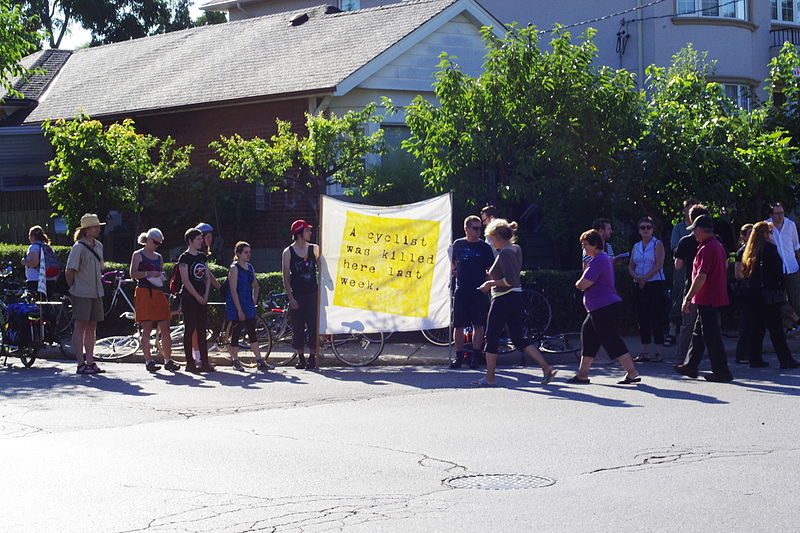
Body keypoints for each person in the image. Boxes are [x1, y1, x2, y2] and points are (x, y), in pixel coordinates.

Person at [473, 219, 556, 386]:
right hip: (515, 297)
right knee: (518, 338)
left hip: (503, 297)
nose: (491, 242)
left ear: (498, 237)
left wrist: (490, 283)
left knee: (492, 337)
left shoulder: (505, 252)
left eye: (491, 238)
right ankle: (546, 367)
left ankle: (490, 377)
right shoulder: (516, 248)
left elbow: (509, 280)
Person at [571, 229, 641, 384]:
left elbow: (584, 283)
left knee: (611, 339)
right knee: (588, 336)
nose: (584, 248)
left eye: (585, 245)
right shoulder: (601, 259)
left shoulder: (599, 260)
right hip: (598, 307)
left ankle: (632, 372)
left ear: (595, 244)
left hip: (604, 306)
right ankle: (582, 374)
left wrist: (578, 283)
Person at [675, 214, 733, 382]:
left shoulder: (707, 248)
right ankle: (691, 365)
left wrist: (687, 297)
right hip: (710, 297)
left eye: (695, 231)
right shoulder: (716, 245)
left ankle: (722, 371)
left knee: (711, 335)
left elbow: (701, 276)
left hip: (708, 297)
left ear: (701, 230)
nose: (693, 234)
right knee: (699, 333)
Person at [741, 222, 800, 369]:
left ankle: (755, 358)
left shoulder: (750, 251)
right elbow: (777, 273)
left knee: (758, 328)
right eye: (770, 232)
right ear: (765, 234)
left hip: (754, 295)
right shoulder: (770, 249)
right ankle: (785, 359)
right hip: (769, 295)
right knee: (776, 330)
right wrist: (780, 286)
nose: (772, 235)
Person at [130, 228, 180, 373]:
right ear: (149, 240)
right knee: (146, 328)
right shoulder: (138, 255)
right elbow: (133, 273)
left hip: (158, 292)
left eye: (159, 243)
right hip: (144, 291)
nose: (157, 245)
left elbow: (161, 273)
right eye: (156, 242)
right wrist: (148, 273)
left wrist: (161, 276)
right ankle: (148, 361)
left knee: (165, 326)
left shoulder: (159, 257)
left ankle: (168, 360)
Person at [449, 215, 494, 369]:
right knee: (459, 325)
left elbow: (491, 268)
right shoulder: (458, 244)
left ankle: (476, 355)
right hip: (462, 289)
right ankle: (459, 356)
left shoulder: (484, 247)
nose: (478, 231)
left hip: (479, 290)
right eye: (475, 228)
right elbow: (453, 264)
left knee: (478, 325)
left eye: (480, 228)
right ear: (466, 228)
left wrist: (489, 281)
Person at [65, 213, 106, 375]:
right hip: (81, 293)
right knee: (80, 326)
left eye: (98, 226)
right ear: (86, 230)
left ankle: (90, 361)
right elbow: (69, 271)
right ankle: (80, 363)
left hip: (96, 292)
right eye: (95, 226)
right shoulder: (78, 247)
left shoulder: (99, 246)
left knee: (92, 327)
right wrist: (73, 290)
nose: (98, 229)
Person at [672, 203, 712, 363]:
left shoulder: (685, 241)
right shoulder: (715, 240)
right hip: (711, 289)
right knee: (710, 326)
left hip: (693, 287)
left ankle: (682, 358)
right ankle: (710, 358)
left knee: (688, 326)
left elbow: (678, 265)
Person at [226, 241, 271, 371]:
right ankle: (235, 360)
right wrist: (239, 309)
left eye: (249, 252)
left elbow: (255, 285)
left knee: (252, 331)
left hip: (248, 303)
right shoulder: (234, 268)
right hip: (237, 303)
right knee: (236, 331)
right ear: (238, 254)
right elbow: (233, 290)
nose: (248, 255)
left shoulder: (249, 267)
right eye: (246, 252)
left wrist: (253, 301)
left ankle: (259, 360)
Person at [282, 220, 319, 370]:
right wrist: (291, 297)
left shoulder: (314, 249)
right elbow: (285, 276)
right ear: (299, 233)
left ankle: (312, 357)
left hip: (312, 293)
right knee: (298, 328)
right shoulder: (288, 252)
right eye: (307, 231)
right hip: (298, 294)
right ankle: (301, 358)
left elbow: (323, 270)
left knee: (313, 326)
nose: (310, 233)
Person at [628, 216, 666, 362]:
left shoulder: (658, 244)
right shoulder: (636, 246)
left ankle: (658, 351)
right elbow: (631, 265)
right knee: (642, 317)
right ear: (639, 230)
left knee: (656, 316)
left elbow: (659, 264)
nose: (645, 230)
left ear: (652, 229)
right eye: (642, 227)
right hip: (639, 284)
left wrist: (645, 278)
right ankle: (645, 351)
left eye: (648, 227)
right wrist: (637, 278)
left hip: (655, 283)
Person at [666, 198, 699, 346]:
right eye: (689, 208)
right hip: (683, 266)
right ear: (685, 211)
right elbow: (674, 247)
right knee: (679, 294)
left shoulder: (703, 228)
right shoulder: (678, 228)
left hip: (698, 267)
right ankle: (672, 330)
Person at [178, 227, 212, 372]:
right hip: (189, 298)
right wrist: (198, 297)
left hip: (202, 297)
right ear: (190, 241)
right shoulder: (184, 258)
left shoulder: (202, 257)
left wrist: (205, 295)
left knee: (202, 330)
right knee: (190, 329)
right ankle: (190, 363)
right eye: (198, 239)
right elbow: (185, 280)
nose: (201, 241)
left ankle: (205, 362)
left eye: (201, 238)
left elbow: (207, 277)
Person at [765, 203, 800, 335]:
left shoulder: (790, 225)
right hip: (776, 268)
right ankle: (789, 324)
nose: (780, 216)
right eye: (777, 214)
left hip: (791, 266)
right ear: (771, 215)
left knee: (795, 298)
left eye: (782, 213)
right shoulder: (766, 226)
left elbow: (796, 246)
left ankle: (791, 327)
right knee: (779, 299)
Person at [191, 222, 221, 366]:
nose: (210, 239)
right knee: (195, 328)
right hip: (194, 294)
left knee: (200, 327)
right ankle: (197, 357)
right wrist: (219, 287)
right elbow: (207, 275)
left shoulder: (203, 255)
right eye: (208, 236)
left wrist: (218, 287)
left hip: (201, 292)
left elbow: (208, 275)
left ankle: (199, 356)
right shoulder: (197, 255)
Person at [733, 224, 754, 365]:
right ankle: (741, 354)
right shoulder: (741, 252)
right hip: (744, 291)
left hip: (754, 290)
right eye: (749, 234)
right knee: (746, 322)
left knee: (754, 323)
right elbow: (737, 274)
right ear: (743, 236)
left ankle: (751, 353)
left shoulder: (756, 250)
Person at [21, 225, 57, 297]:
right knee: (47, 304)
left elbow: (35, 263)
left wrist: (24, 262)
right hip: (50, 279)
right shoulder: (47, 247)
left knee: (38, 305)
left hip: (36, 280)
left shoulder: (34, 247)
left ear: (33, 236)